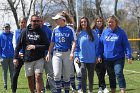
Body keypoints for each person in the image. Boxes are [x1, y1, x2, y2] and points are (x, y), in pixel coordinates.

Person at [13, 15, 50, 93]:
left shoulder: (42, 32)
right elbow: (18, 45)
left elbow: (47, 45)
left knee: (38, 76)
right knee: (30, 79)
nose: (36, 22)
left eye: (37, 21)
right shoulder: (24, 31)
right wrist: (15, 57)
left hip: (39, 58)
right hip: (28, 59)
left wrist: (35, 47)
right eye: (34, 21)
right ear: (31, 22)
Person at [98, 15, 132, 93]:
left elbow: (126, 45)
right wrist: (99, 55)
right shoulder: (105, 32)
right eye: (109, 22)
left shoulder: (121, 32)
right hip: (107, 58)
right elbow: (100, 45)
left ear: (116, 22)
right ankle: (113, 90)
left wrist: (129, 56)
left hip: (118, 57)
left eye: (112, 22)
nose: (110, 23)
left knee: (118, 73)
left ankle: (122, 89)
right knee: (111, 75)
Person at [45, 12, 76, 93]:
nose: (55, 21)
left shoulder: (70, 29)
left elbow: (73, 42)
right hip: (56, 53)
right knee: (57, 74)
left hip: (67, 53)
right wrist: (48, 53)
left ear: (63, 20)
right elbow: (52, 43)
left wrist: (72, 52)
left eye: (57, 19)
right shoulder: (55, 30)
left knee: (66, 76)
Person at [74, 17, 99, 93]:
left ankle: (90, 91)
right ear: (80, 24)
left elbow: (97, 45)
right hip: (82, 59)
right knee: (83, 76)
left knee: (91, 77)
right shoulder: (78, 34)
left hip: (92, 59)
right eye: (82, 22)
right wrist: (76, 56)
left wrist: (97, 56)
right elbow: (76, 47)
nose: (83, 23)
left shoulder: (93, 33)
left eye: (85, 22)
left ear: (87, 22)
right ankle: (84, 91)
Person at [91, 16, 109, 93]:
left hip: (104, 54)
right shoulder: (92, 31)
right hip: (95, 54)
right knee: (98, 71)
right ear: (95, 22)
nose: (99, 22)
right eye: (97, 21)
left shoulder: (106, 31)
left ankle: (100, 87)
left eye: (100, 21)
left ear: (102, 22)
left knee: (103, 70)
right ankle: (103, 87)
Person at [39, 16, 57, 93]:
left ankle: (53, 90)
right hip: (38, 56)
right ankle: (42, 90)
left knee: (50, 74)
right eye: (37, 21)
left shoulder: (48, 30)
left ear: (42, 21)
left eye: (40, 21)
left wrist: (49, 53)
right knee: (39, 74)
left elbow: (52, 42)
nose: (38, 22)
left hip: (47, 55)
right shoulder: (34, 30)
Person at [12, 16, 27, 93]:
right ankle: (13, 90)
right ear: (19, 23)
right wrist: (18, 54)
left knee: (31, 74)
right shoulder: (16, 32)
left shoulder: (29, 31)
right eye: (22, 22)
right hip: (18, 56)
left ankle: (34, 89)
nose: (23, 24)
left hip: (27, 55)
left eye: (24, 22)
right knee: (15, 74)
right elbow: (14, 43)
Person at [0, 23, 14, 90]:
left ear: (9, 28)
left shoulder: (12, 35)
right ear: (4, 28)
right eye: (5, 27)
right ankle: (5, 85)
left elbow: (15, 45)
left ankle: (12, 84)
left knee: (12, 72)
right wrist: (0, 57)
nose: (7, 29)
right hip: (4, 57)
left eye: (8, 27)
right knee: (4, 72)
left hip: (12, 57)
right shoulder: (1, 35)